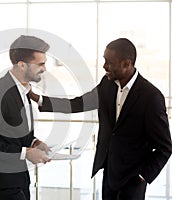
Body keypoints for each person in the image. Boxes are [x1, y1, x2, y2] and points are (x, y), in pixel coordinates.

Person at [29, 38, 172, 200]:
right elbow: (78, 104)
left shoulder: (151, 97)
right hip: (109, 174)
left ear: (126, 64)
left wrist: (143, 176)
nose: (104, 66)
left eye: (109, 62)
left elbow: (165, 147)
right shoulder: (107, 84)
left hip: (133, 180)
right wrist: (37, 98)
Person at [0, 35, 51, 200]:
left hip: (18, 177)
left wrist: (33, 142)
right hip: (0, 178)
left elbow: (11, 130)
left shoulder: (24, 90)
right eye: (41, 64)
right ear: (22, 65)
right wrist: (25, 153)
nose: (45, 68)